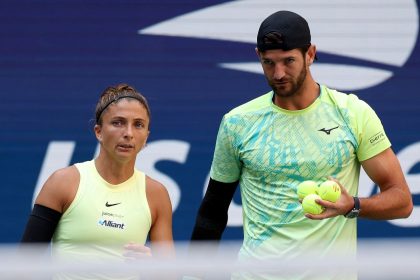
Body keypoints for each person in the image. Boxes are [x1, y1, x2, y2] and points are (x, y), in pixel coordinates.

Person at [190, 10, 413, 280]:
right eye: (268, 63)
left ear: (310, 54)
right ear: (258, 57)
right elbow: (212, 213)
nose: (279, 73)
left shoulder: (353, 113)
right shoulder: (238, 122)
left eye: (288, 61)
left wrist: (351, 205)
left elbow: (401, 201)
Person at [21, 83, 175, 279]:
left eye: (138, 124)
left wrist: (153, 267)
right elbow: (23, 266)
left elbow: (169, 274)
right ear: (98, 132)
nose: (128, 133)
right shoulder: (63, 182)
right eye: (118, 122)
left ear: (146, 137)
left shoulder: (156, 194)